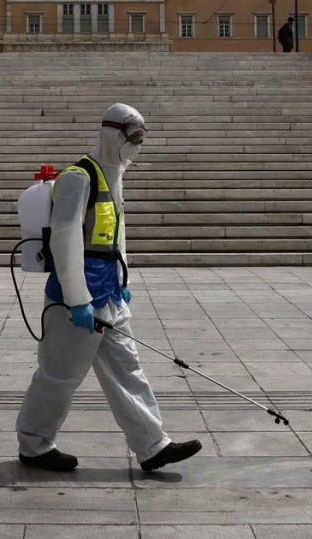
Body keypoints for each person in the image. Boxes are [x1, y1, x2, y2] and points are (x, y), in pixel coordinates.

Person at [16, 103, 202, 473]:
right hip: (77, 299)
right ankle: (34, 446)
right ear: (113, 134)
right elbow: (65, 238)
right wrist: (77, 299)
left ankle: (153, 445)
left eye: (141, 139)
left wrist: (123, 281)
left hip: (110, 294)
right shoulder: (78, 177)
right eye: (133, 138)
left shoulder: (114, 176)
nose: (137, 146)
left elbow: (116, 237)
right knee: (59, 375)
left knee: (128, 368)